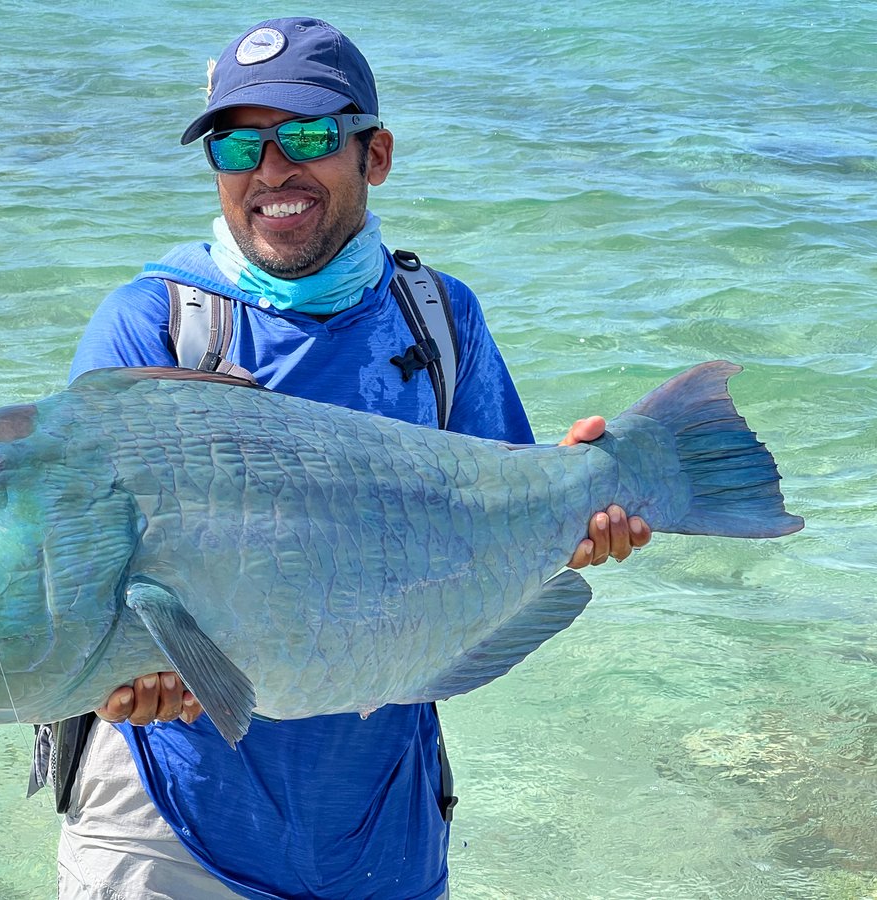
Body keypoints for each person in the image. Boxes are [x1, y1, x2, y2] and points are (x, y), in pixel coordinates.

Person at [34, 17, 651, 899]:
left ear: (377, 154)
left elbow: (499, 512)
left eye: (311, 136)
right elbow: (81, 566)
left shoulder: (440, 321)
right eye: (238, 143)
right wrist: (110, 677)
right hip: (166, 819)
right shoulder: (151, 325)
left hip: (381, 824)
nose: (272, 168)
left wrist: (575, 514)